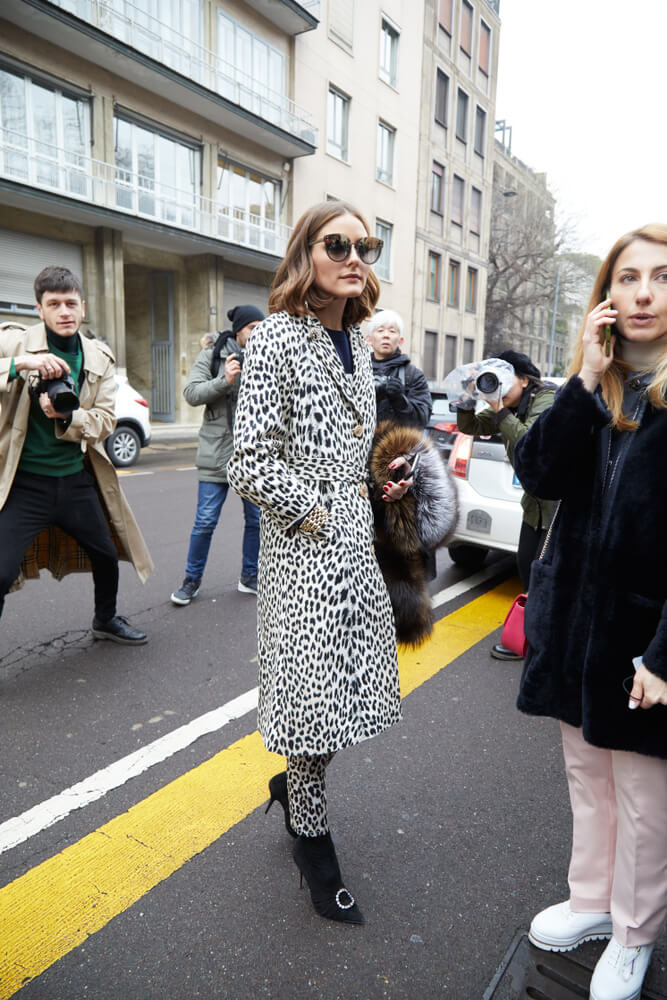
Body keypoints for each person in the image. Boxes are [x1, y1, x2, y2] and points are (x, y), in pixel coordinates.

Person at [227, 201, 456, 926]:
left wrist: (370, 485)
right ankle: (311, 839)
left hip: (355, 547)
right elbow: (250, 462)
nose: (355, 255)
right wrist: (323, 512)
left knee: (341, 701)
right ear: (306, 254)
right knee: (313, 709)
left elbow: (345, 449)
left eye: (367, 244)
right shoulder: (275, 342)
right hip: (303, 553)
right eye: (338, 243)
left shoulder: (358, 344)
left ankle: (292, 789)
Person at [512, 225, 667, 1000]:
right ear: (605, 296)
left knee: (643, 797)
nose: (642, 293)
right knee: (587, 777)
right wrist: (582, 374)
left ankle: (635, 932)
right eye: (627, 277)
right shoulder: (594, 390)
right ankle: (590, 903)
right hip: (574, 622)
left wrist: (666, 656)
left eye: (661, 278)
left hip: (644, 638)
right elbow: (535, 472)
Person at [0, 266, 153, 644]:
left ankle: (105, 620)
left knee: (106, 553)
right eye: (54, 304)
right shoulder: (12, 343)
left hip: (74, 480)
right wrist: (21, 366)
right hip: (24, 483)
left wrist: (68, 417)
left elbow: (104, 421)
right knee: (0, 573)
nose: (64, 311)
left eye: (71, 303)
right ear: (39, 309)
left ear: (82, 307)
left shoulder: (98, 356)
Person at [456, 350, 555, 660]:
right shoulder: (508, 405)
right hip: (533, 505)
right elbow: (470, 426)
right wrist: (466, 395)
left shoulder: (548, 400)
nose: (496, 387)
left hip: (559, 508)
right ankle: (533, 640)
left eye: (503, 380)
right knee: (527, 568)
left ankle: (544, 646)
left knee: (550, 575)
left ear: (524, 380)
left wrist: (499, 408)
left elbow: (530, 442)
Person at [170, 304, 265, 605]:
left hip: (253, 457)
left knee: (256, 520)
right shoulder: (212, 356)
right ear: (239, 330)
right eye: (253, 328)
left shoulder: (267, 357)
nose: (259, 334)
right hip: (216, 453)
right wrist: (224, 381)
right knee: (205, 521)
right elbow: (192, 394)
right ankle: (191, 581)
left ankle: (249, 577)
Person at [367, 309, 433, 429]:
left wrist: (400, 401)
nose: (386, 335)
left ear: (401, 340)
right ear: (369, 339)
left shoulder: (413, 375)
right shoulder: (358, 371)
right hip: (360, 446)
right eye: (380, 330)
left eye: (392, 331)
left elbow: (422, 420)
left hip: (396, 446)